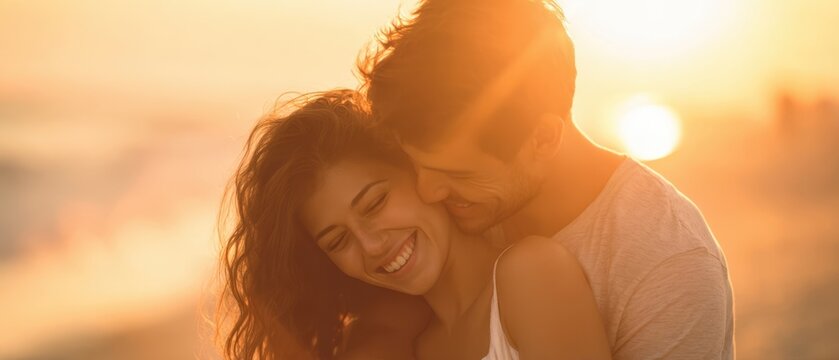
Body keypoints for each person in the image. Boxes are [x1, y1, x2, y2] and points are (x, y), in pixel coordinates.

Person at [359, 0, 735, 358]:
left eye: (458, 174)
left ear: (543, 139)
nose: (427, 191)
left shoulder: (669, 264)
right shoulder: (456, 207)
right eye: (417, 165)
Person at [218, 90, 611, 359]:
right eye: (338, 241)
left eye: (375, 203)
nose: (371, 245)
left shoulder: (529, 274)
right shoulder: (408, 344)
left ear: (416, 169)